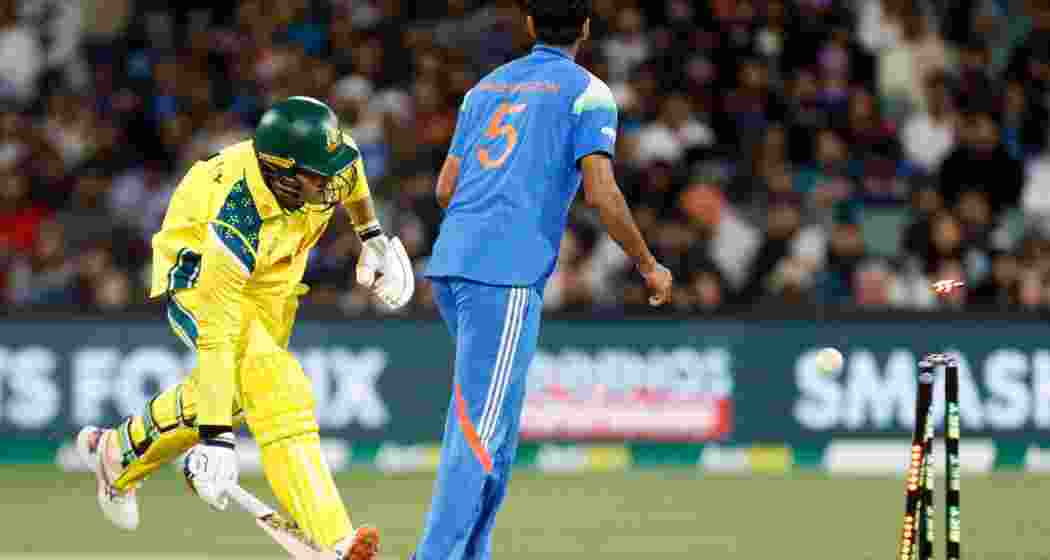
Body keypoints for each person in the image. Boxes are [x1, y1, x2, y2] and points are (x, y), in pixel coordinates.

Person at [74, 96, 415, 560]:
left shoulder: (323, 161)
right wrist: (217, 438)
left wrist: (371, 236)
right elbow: (216, 335)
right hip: (202, 276)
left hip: (271, 283)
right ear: (281, 173)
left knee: (239, 392)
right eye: (320, 177)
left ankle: (117, 452)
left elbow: (351, 177)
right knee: (275, 384)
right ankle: (333, 540)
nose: (331, 185)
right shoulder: (237, 217)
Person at [413, 2, 673, 559]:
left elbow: (444, 189)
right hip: (504, 274)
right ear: (585, 27)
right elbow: (602, 193)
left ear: (530, 27)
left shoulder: (483, 90)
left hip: (453, 264)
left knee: (494, 425)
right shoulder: (588, 92)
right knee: (479, 429)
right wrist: (648, 264)